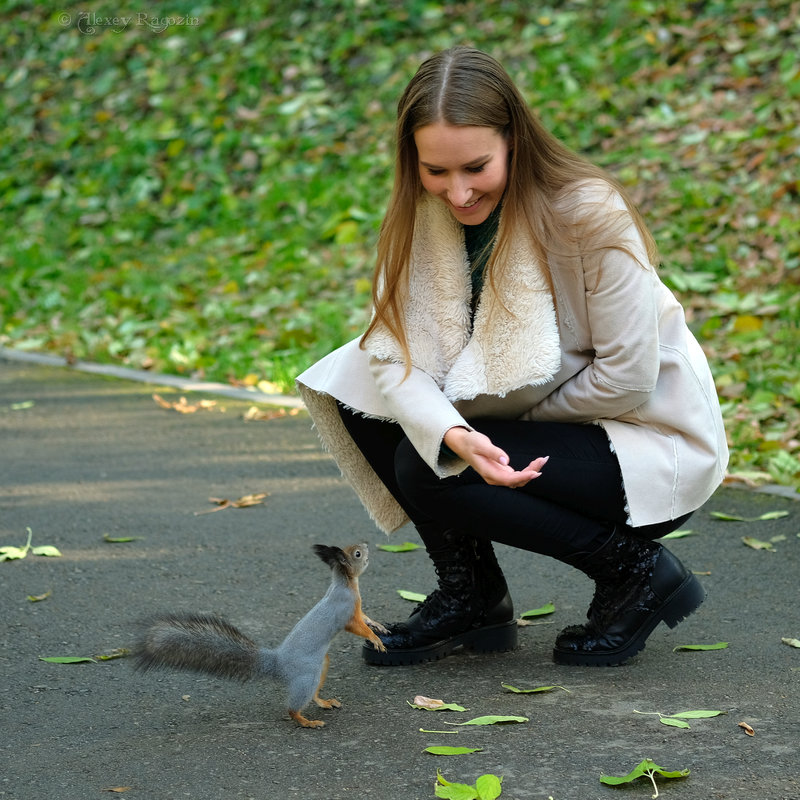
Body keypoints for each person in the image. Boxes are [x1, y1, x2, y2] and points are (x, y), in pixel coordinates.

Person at [295, 46, 728, 668]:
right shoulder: (426, 217)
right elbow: (389, 352)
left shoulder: (586, 212)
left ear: (514, 142)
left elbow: (628, 378)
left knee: (428, 465)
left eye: (476, 166)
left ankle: (634, 571)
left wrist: (490, 428)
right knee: (361, 393)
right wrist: (452, 426)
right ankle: (472, 597)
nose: (458, 191)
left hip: (639, 433)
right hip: (545, 421)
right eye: (435, 171)